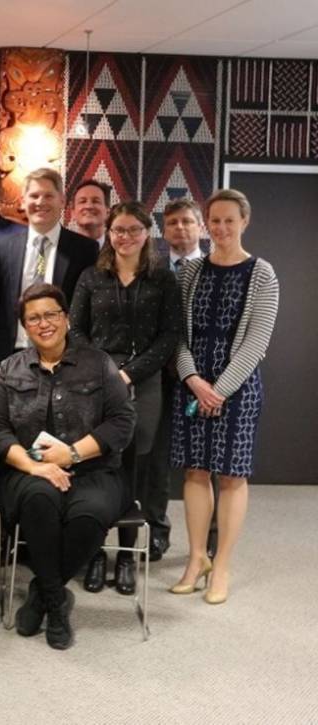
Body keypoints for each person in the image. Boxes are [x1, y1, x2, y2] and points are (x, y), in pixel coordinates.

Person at [0, 283, 135, 650]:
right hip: (27, 471)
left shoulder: (99, 363)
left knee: (91, 515)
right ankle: (57, 605)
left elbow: (121, 422)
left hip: (93, 470)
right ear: (25, 326)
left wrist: (71, 455)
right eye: (34, 318)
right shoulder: (10, 368)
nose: (44, 323)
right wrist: (36, 467)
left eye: (51, 314)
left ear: (66, 318)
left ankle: (41, 593)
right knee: (39, 502)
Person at [169, 189, 278, 605]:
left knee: (232, 476)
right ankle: (197, 560)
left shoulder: (263, 274)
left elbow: (257, 341)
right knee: (195, 472)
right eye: (214, 220)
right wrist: (194, 379)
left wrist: (220, 390)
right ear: (206, 223)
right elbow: (177, 335)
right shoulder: (190, 273)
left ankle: (223, 565)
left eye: (229, 220)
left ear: (244, 221)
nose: (221, 228)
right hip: (194, 386)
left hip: (238, 389)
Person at [69, 201, 182, 596]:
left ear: (146, 233)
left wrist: (130, 373)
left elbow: (170, 336)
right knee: (98, 465)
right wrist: (105, 371)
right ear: (109, 233)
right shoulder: (91, 277)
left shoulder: (162, 279)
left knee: (136, 467)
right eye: (119, 230)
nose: (126, 237)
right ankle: (97, 553)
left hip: (144, 381)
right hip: (95, 380)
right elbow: (76, 331)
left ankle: (127, 555)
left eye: (134, 230)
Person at [0, 167, 98, 390]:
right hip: (9, 357)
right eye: (34, 196)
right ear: (23, 201)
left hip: (64, 360)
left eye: (48, 196)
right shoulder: (2, 245)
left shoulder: (85, 250)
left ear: (62, 200)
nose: (40, 202)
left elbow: (89, 312)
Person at [146, 198, 209, 559]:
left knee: (205, 460)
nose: (180, 229)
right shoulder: (153, 269)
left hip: (203, 378)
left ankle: (210, 540)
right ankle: (157, 530)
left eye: (187, 222)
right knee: (156, 458)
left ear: (199, 227)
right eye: (172, 223)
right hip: (160, 377)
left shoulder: (215, 266)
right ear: (164, 230)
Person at [70, 179, 110, 246]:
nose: (89, 206)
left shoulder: (120, 250)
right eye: (82, 201)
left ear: (108, 212)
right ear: (73, 213)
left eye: (96, 201)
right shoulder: (58, 251)